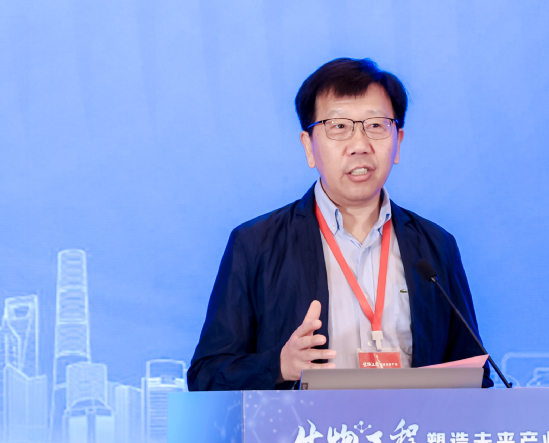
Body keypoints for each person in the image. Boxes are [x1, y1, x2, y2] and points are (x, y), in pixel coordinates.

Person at [188, 58, 491, 391]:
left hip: (413, 425)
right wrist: (279, 366)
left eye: (376, 125)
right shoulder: (256, 244)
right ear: (309, 146)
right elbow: (206, 376)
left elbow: (474, 375)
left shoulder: (435, 246)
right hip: (306, 426)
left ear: (398, 142)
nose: (360, 145)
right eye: (339, 126)